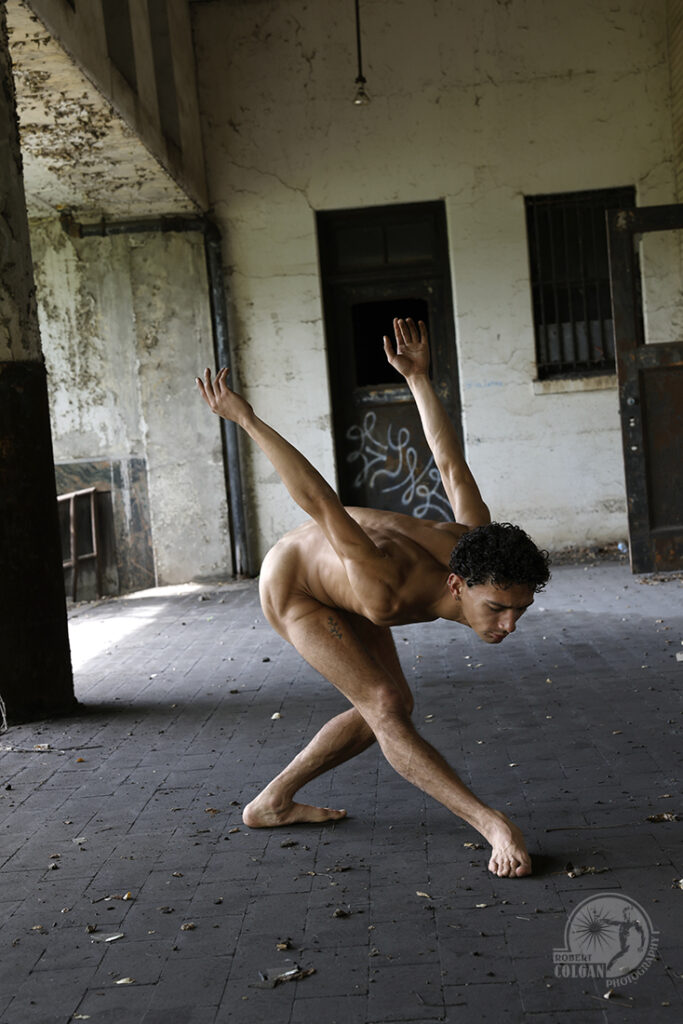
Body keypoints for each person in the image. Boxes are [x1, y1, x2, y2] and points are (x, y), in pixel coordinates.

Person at [196, 317, 550, 878]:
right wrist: (246, 419)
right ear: (457, 585)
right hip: (295, 584)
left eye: (519, 610)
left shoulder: (475, 543)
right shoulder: (386, 584)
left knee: (390, 704)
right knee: (384, 703)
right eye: (497, 609)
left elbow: (450, 463)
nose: (509, 625)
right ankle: (491, 824)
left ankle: (273, 802)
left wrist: (417, 378)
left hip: (345, 581)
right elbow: (319, 501)